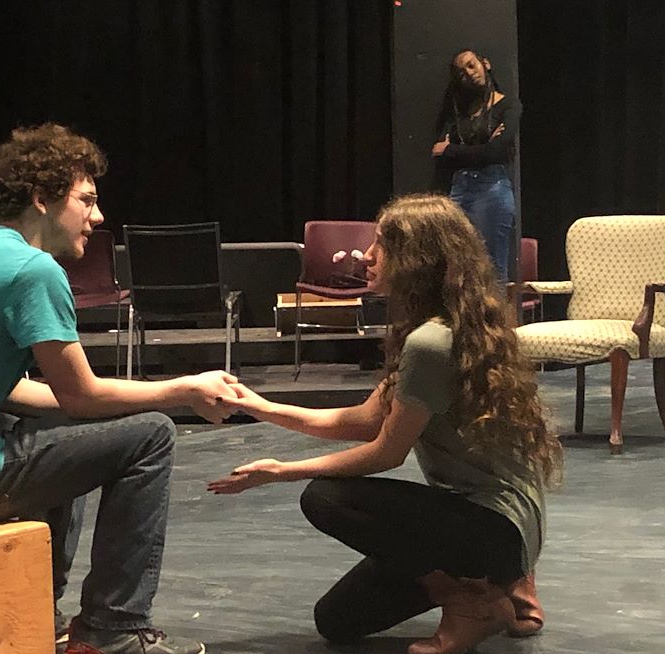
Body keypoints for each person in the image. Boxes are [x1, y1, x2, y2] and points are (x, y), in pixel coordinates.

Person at [0, 123, 230, 654]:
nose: (98, 217)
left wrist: (87, 408)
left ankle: (38, 614)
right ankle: (112, 631)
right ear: (41, 198)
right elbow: (81, 395)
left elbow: (32, 395)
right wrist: (186, 388)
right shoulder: (32, 270)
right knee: (152, 436)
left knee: (68, 429)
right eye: (87, 200)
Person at [208, 194, 561, 654]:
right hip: (501, 527)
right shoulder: (448, 325)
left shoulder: (431, 343)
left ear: (418, 260)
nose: (366, 255)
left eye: (382, 245)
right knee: (336, 620)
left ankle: (472, 600)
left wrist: (280, 471)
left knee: (326, 495)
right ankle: (495, 586)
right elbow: (364, 421)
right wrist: (259, 406)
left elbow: (385, 453)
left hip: (494, 529)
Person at [432, 49, 522, 283]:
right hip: (459, 190)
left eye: (471, 65)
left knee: (491, 268)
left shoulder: (508, 106)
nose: (469, 74)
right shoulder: (460, 113)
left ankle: (495, 320)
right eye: (461, 73)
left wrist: (452, 151)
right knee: (456, 266)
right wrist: (480, 149)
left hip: (491, 189)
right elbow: (437, 153)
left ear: (486, 63)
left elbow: (496, 152)